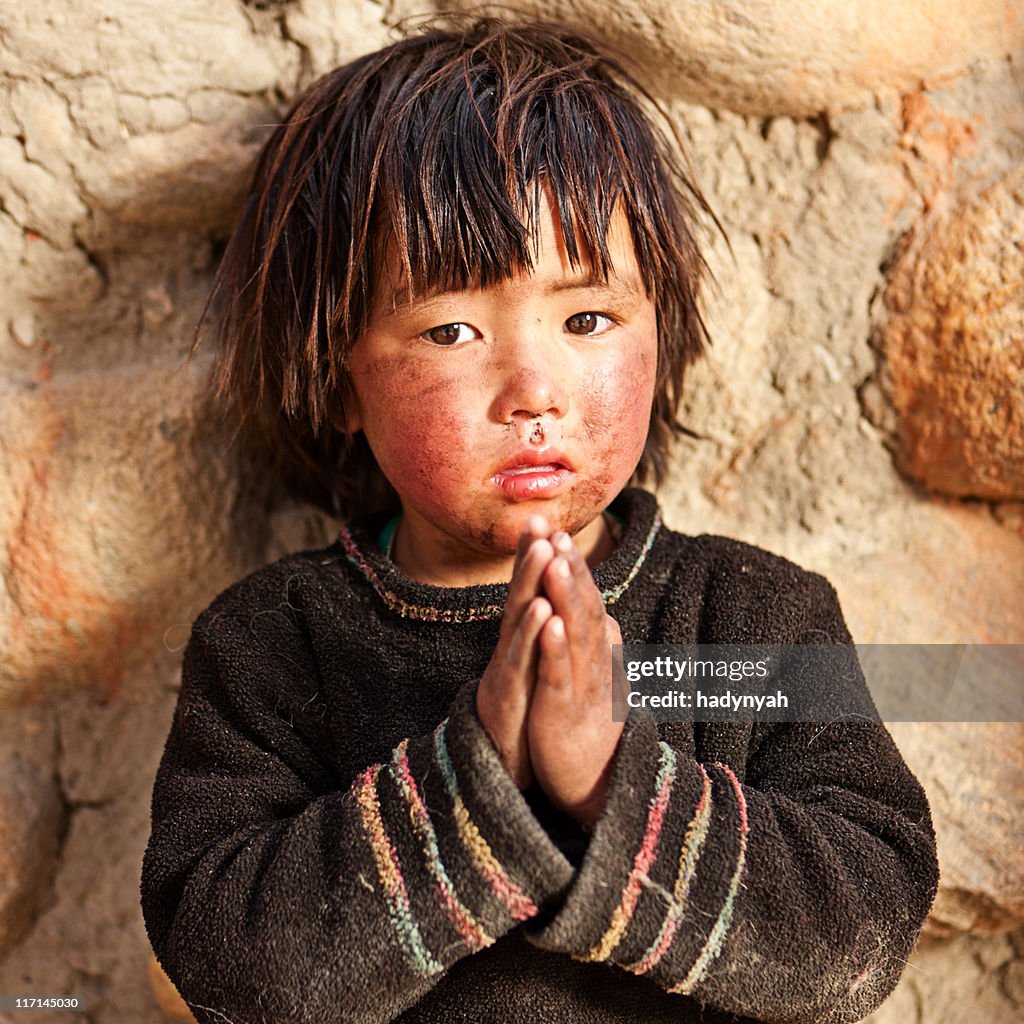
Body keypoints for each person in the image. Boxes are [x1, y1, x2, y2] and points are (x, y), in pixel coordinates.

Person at [140, 17, 938, 1024]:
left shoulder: (755, 617)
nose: (532, 389)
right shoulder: (271, 644)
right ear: (335, 376)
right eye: (449, 329)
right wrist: (476, 779)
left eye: (586, 319)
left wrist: (614, 782)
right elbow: (225, 964)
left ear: (665, 331)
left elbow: (862, 929)